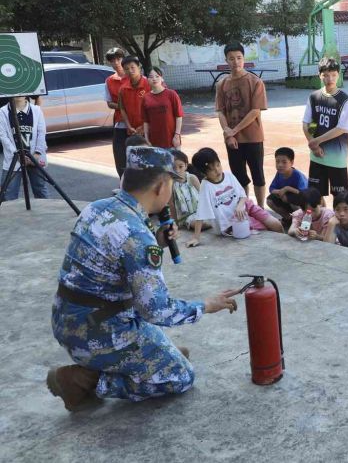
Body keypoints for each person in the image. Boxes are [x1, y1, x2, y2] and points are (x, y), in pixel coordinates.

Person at [48, 146, 238, 411]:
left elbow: (113, 261)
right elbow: (156, 310)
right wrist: (205, 305)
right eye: (171, 183)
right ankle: (85, 381)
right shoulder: (137, 236)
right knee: (181, 376)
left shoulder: (97, 208)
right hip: (95, 332)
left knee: (169, 354)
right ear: (161, 186)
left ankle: (151, 361)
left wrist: (157, 243)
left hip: (68, 320)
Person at [186, 147, 282, 247]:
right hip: (232, 222)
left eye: (218, 165)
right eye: (211, 169)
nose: (217, 170)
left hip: (245, 206)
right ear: (203, 173)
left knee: (276, 224)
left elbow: (242, 195)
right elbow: (201, 213)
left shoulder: (228, 175)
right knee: (266, 228)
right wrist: (196, 238)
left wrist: (240, 206)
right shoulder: (206, 187)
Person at [216, 42, 268, 208]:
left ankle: (260, 207)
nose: (235, 62)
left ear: (244, 59)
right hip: (232, 139)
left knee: (258, 175)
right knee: (239, 176)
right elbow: (221, 112)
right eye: (231, 59)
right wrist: (228, 134)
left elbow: (255, 111)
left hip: (253, 137)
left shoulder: (255, 82)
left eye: (239, 58)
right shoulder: (221, 84)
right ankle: (244, 207)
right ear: (226, 60)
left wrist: (234, 130)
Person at [303, 57, 348, 200]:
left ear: (338, 75)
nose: (329, 78)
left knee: (340, 197)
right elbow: (308, 123)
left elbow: (341, 128)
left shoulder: (344, 100)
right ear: (320, 75)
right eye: (325, 75)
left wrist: (316, 141)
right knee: (313, 197)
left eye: (333, 75)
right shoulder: (314, 97)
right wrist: (313, 143)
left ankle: (337, 222)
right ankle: (314, 222)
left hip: (337, 158)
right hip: (317, 157)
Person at [0, 96, 48, 201]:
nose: (19, 93)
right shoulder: (3, 112)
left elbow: (41, 133)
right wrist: (16, 155)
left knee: (41, 191)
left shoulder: (36, 110)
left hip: (34, 158)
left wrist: (37, 153)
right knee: (8, 193)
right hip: (13, 159)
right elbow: (3, 136)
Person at [104, 48, 131, 177]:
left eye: (119, 59)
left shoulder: (133, 77)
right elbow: (109, 103)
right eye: (113, 60)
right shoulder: (109, 80)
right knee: (120, 155)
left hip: (137, 123)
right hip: (120, 122)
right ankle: (123, 183)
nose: (116, 63)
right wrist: (122, 107)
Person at [142, 67, 183, 150]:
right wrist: (146, 137)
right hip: (154, 141)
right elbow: (146, 121)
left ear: (162, 78)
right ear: (147, 79)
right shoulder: (145, 98)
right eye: (151, 76)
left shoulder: (171, 94)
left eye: (157, 76)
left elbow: (178, 116)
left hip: (171, 140)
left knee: (175, 162)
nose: (154, 79)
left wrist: (177, 135)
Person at [266, 147, 308, 226]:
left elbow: (304, 193)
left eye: (284, 162)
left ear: (291, 162)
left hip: (302, 202)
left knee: (292, 200)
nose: (280, 165)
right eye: (277, 162)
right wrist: (278, 192)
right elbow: (271, 188)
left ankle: (302, 222)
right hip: (286, 198)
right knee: (269, 201)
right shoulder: (279, 173)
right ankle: (288, 218)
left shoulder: (297, 175)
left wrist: (287, 189)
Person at [169, 149, 202, 230]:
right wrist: (175, 223)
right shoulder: (170, 184)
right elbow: (171, 204)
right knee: (196, 224)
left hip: (200, 211)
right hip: (187, 217)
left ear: (186, 166)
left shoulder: (192, 178)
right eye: (174, 167)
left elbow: (203, 196)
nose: (177, 170)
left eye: (181, 166)